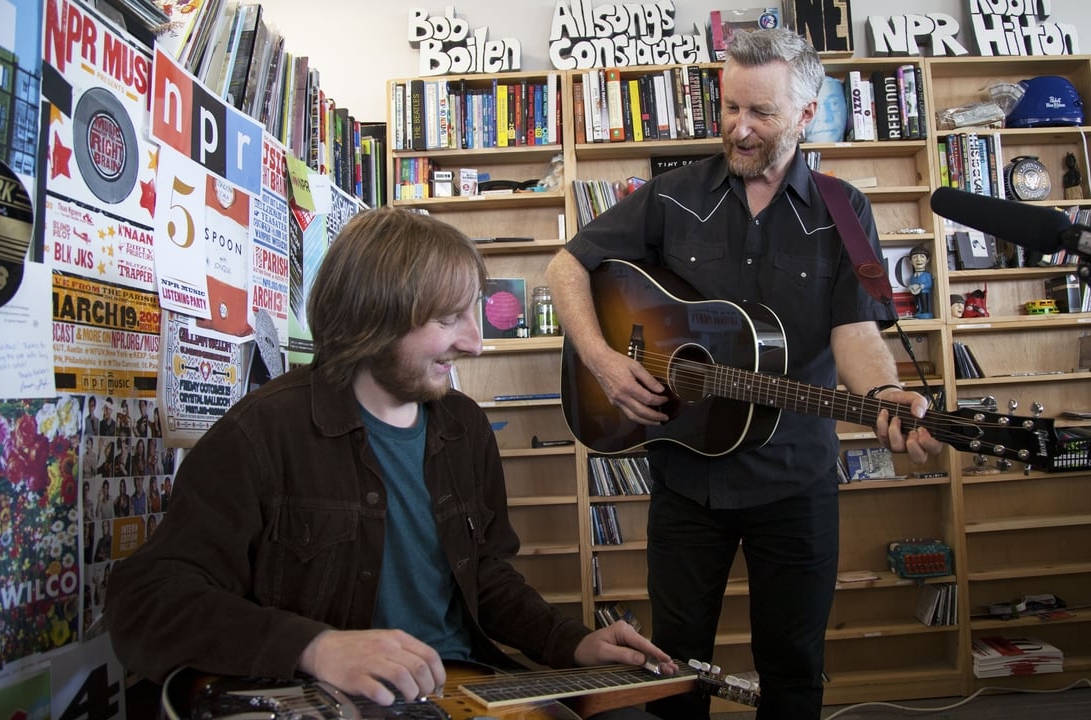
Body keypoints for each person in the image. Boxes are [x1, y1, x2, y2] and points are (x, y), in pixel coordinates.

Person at [105, 207, 675, 717]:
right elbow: (146, 600)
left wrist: (570, 642)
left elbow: (486, 576)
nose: (476, 343)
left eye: (472, 314)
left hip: (467, 688)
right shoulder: (262, 433)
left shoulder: (465, 427)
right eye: (449, 320)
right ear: (371, 320)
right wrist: (315, 646)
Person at [545, 28, 942, 720]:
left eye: (761, 112)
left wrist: (882, 396)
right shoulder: (671, 197)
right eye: (730, 108)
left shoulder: (845, 212)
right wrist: (604, 361)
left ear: (808, 114)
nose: (740, 127)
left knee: (793, 669)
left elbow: (856, 331)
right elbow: (567, 265)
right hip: (686, 480)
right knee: (674, 670)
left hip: (795, 480)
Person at [905, 245, 934, 319]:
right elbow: (911, 284)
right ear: (911, 261)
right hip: (916, 293)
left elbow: (929, 284)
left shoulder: (927, 275)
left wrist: (922, 286)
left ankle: (925, 311)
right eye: (915, 257)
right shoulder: (912, 276)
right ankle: (919, 311)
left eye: (922, 256)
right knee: (917, 303)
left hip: (924, 292)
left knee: (924, 303)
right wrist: (911, 287)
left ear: (927, 260)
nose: (918, 259)